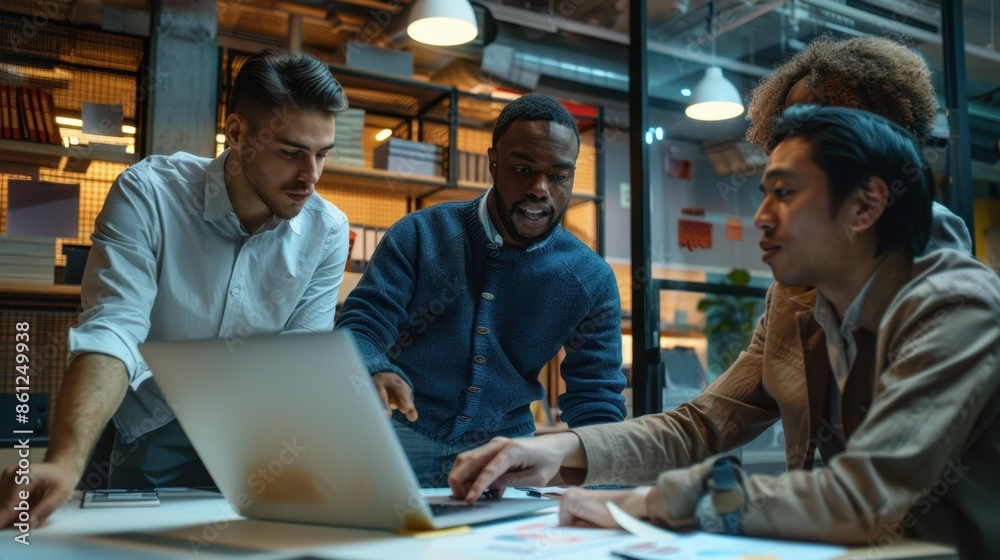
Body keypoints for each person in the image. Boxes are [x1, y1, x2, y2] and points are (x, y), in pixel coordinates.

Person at [449, 106, 1000, 558]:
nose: (760, 216)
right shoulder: (799, 301)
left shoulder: (955, 306)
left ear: (865, 205)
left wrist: (649, 503)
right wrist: (558, 448)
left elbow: (862, 497)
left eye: (783, 193)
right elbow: (703, 423)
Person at [0, 49, 351, 527]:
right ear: (237, 132)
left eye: (322, 154)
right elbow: (113, 330)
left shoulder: (328, 231)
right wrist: (64, 461)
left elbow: (296, 358)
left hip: (248, 441)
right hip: (142, 425)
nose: (310, 176)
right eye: (291, 152)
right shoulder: (147, 194)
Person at [337, 93, 627, 487]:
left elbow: (596, 402)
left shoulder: (590, 279)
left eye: (559, 176)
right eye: (523, 169)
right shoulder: (421, 234)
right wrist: (374, 367)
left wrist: (599, 493)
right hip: (396, 437)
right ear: (493, 163)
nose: (540, 189)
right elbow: (361, 326)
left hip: (505, 454)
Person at [745, 33, 971, 252]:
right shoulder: (804, 235)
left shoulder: (929, 224)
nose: (799, 134)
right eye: (792, 121)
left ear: (870, 121)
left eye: (822, 117)